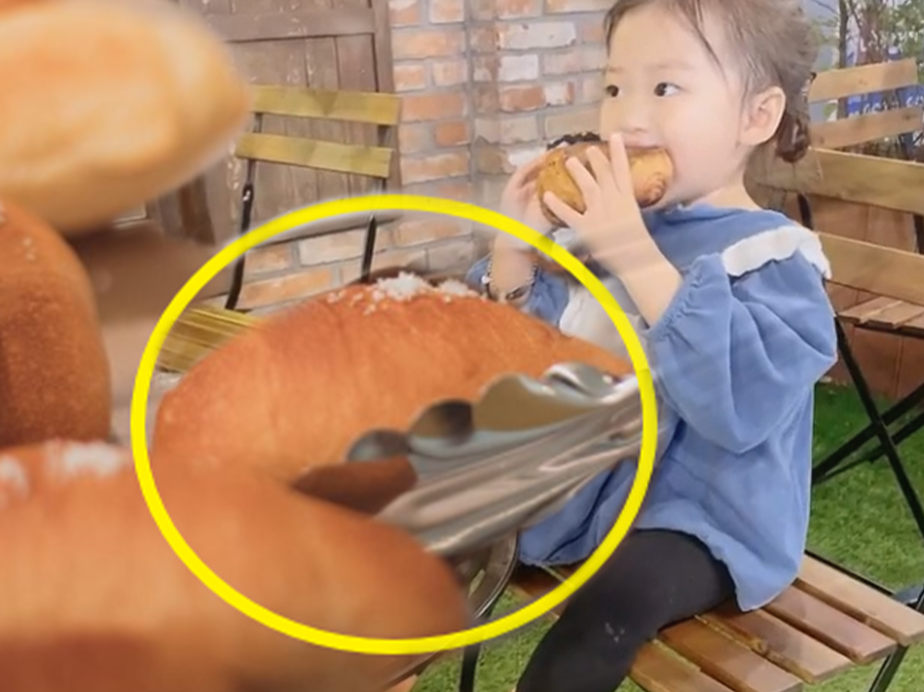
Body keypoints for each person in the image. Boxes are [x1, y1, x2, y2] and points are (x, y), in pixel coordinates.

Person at [466, 1, 839, 691]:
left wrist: (637, 259)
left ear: (756, 116)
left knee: (611, 603)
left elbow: (738, 407)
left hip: (700, 517)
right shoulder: (599, 230)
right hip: (585, 486)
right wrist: (513, 256)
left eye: (665, 87)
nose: (628, 119)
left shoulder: (775, 258)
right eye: (614, 87)